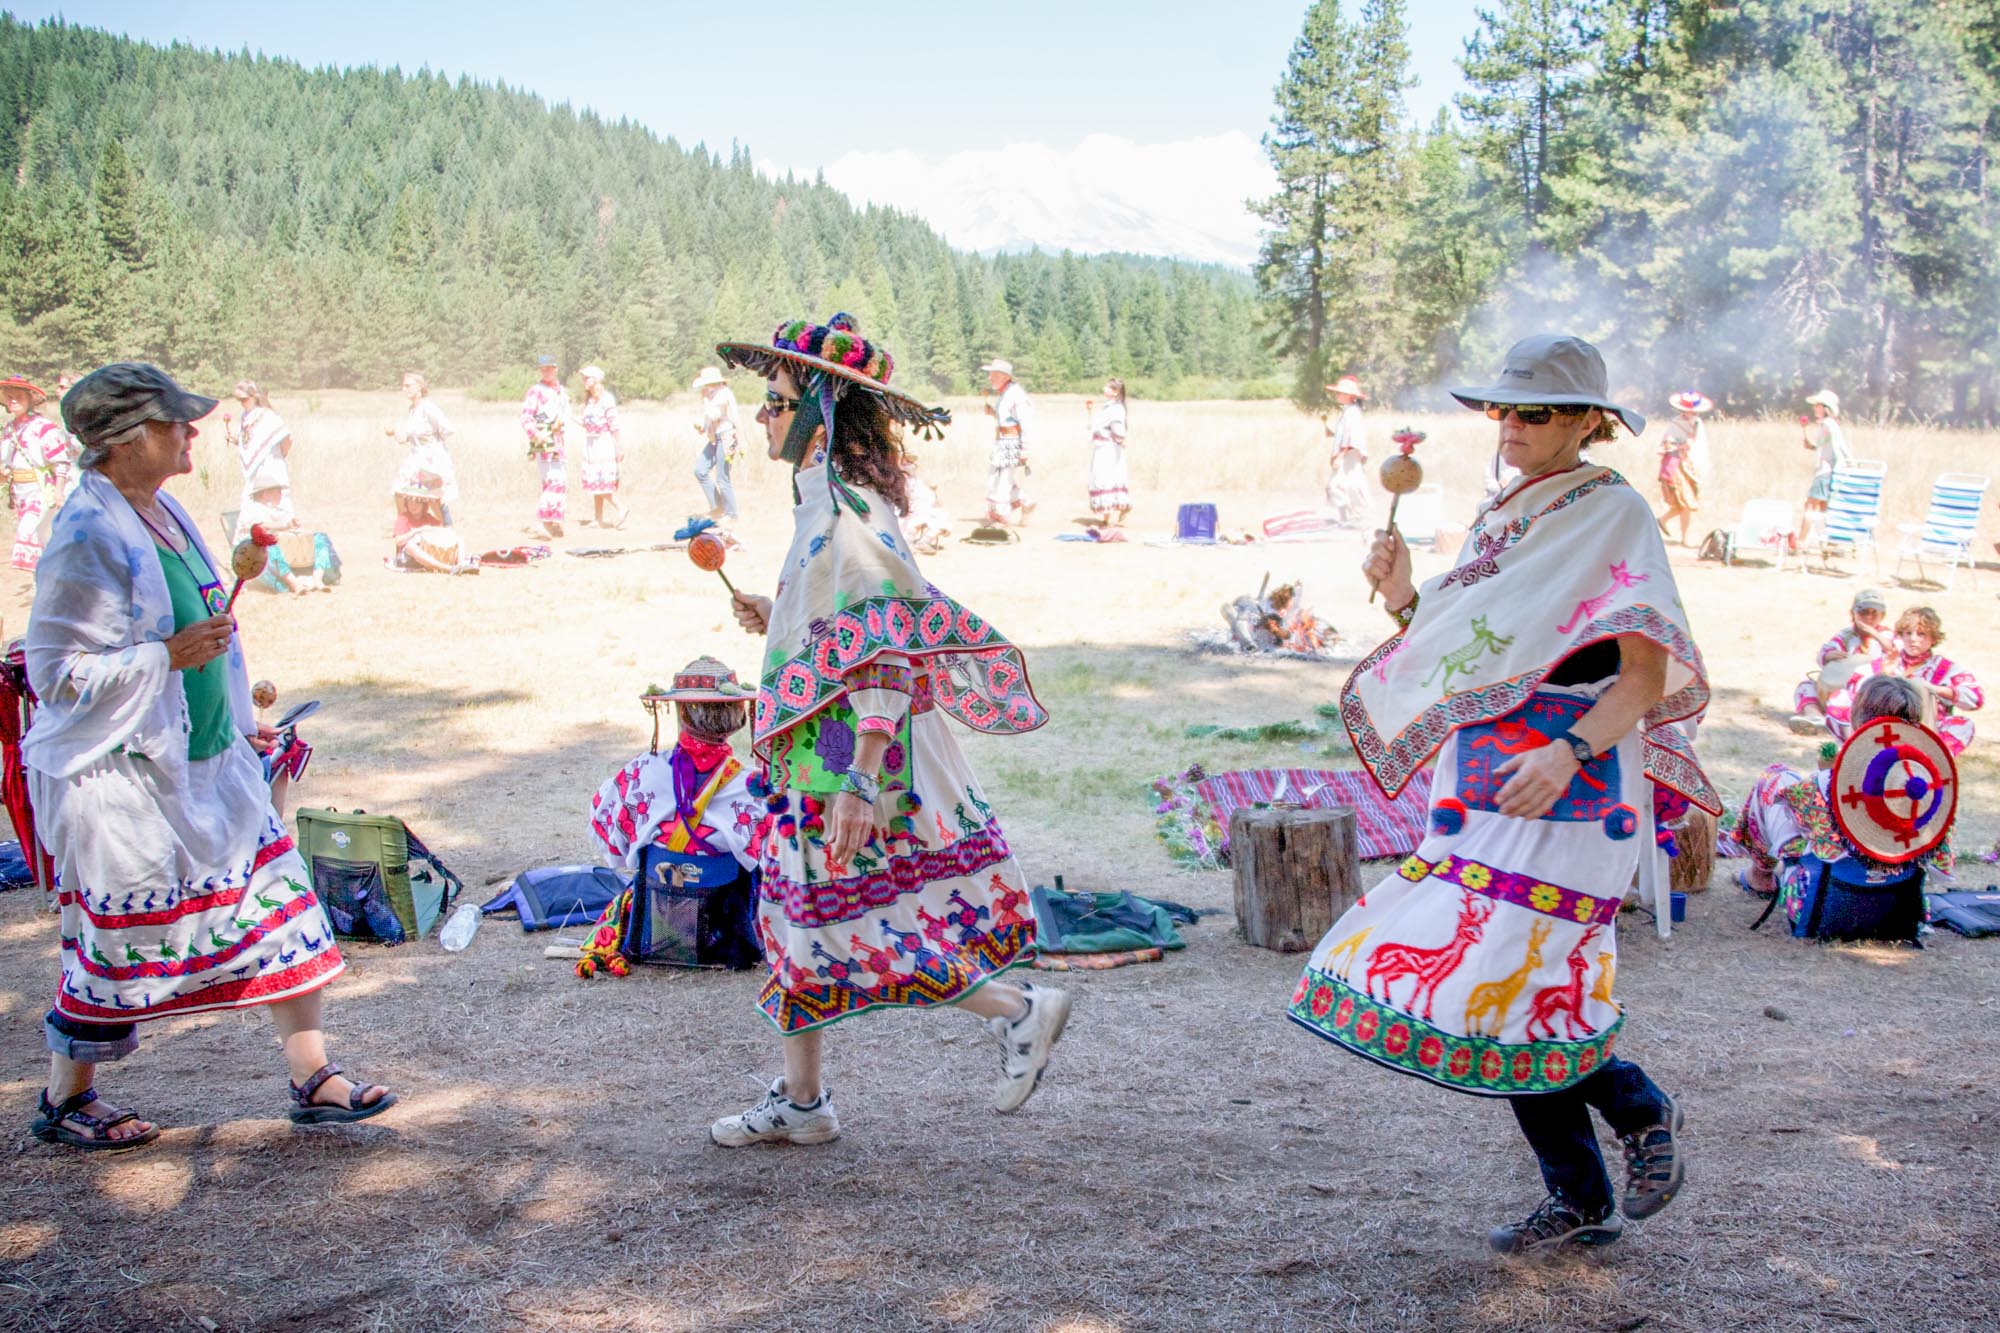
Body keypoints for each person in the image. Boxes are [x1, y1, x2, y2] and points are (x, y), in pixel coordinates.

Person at [1289, 334, 1711, 1255]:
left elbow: (1643, 673)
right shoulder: (1503, 515)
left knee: (1526, 973)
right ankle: (1584, 1195)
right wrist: (1406, 597)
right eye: (1504, 409)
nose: (1512, 426)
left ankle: (1640, 1108)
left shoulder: (1614, 513)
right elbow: (1475, 645)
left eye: (1538, 411)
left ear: (1591, 423)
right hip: (1485, 772)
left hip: (1574, 773)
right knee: (1500, 984)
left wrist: (1566, 750)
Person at [709, 313, 1068, 1146]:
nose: (761, 415)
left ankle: (1018, 1011)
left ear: (816, 414)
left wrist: (861, 777)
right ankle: (804, 1105)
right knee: (805, 916)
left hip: (851, 755)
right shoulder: (820, 508)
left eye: (775, 399)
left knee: (862, 920)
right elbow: (843, 628)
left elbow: (884, 650)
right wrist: (777, 616)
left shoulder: (844, 511)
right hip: (822, 748)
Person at [25, 363, 394, 1149]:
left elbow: (207, 637)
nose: (192, 432)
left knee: (282, 904)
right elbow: (55, 676)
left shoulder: (163, 512)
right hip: (124, 777)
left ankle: (314, 1076)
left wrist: (232, 718)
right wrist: (166, 654)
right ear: (129, 439)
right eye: (176, 422)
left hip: (208, 761)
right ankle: (66, 1098)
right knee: (117, 944)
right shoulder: (86, 535)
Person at [578, 657, 766, 978]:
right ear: (737, 719)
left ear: (681, 713)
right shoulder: (752, 786)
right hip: (723, 931)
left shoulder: (642, 771)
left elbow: (606, 823)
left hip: (657, 915)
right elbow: (771, 857)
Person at [1737, 675, 1950, 920]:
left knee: (1776, 778)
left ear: (1857, 718)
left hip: (1825, 906)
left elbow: (1801, 817)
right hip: (1900, 910)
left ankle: (1760, 877)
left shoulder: (1827, 782)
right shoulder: (1925, 788)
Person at [1828, 606, 1981, 755]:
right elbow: (1854, 687)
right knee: (1839, 698)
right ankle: (1856, 751)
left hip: (1923, 730)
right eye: (1908, 633)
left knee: (1964, 725)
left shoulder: (1944, 668)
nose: (1913, 639)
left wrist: (1935, 689)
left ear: (1933, 638)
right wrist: (1882, 674)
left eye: (1921, 634)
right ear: (1901, 635)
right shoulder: (1889, 660)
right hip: (1880, 727)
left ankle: (1932, 759)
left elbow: (1976, 698)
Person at [1788, 587, 1892, 734]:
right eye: (1864, 612)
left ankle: (1845, 722)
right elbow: (1825, 652)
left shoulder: (1886, 635)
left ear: (1882, 615)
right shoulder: (1846, 635)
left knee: (1846, 696)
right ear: (1853, 614)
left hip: (1868, 693)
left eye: (1874, 613)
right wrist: (1829, 656)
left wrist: (1873, 633)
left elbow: (1893, 650)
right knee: (1805, 687)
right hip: (1839, 688)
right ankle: (1815, 716)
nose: (1869, 617)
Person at [3, 375, 74, 572]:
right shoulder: (9, 429)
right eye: (9, 397)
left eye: (19, 396)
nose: (13, 401)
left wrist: (59, 490)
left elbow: (60, 460)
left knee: (29, 533)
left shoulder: (43, 427)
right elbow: (7, 463)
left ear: (30, 399)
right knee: (44, 537)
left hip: (42, 490)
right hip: (21, 492)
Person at [224, 379, 296, 539]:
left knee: (276, 508)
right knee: (253, 509)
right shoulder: (246, 417)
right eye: (238, 400)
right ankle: (250, 548)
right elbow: (251, 443)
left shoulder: (268, 416)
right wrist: (238, 441)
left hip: (271, 467)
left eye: (244, 399)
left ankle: (283, 548)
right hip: (254, 473)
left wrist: (278, 457)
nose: (241, 403)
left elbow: (287, 439)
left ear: (254, 396)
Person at [386, 372, 459, 524]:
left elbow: (447, 429)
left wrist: (432, 444)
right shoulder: (412, 409)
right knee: (400, 491)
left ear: (419, 387)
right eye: (403, 386)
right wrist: (395, 433)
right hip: (416, 458)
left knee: (434, 499)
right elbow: (408, 438)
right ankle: (406, 528)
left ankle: (447, 533)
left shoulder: (428, 407)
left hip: (431, 459)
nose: (404, 389)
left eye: (408, 385)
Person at [981, 358, 1034, 526]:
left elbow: (1025, 421)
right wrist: (993, 413)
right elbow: (1007, 418)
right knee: (996, 477)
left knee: (1002, 479)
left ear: (1004, 376)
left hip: (1011, 442)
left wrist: (1025, 448)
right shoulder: (1006, 393)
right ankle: (1025, 502)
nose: (990, 378)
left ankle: (1001, 516)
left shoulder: (1016, 394)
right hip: (1002, 441)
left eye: (993, 375)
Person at [577, 364, 630, 529]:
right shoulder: (590, 400)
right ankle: (598, 518)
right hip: (591, 442)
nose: (584, 381)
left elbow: (614, 424)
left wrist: (619, 447)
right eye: (584, 378)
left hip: (603, 443)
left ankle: (621, 507)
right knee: (594, 479)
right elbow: (587, 424)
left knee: (601, 480)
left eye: (588, 378)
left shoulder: (606, 398)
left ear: (596, 380)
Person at [1654, 391, 1710, 546]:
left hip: (1689, 466)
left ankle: (1682, 535)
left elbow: (1699, 446)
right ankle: (1664, 523)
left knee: (1686, 503)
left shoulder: (1697, 423)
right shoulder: (1675, 424)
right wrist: (1682, 446)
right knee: (1684, 500)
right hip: (1676, 465)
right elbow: (1667, 444)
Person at [521, 355, 569, 538]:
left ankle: (552, 522)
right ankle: (541, 523)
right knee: (552, 481)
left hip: (558, 442)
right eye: (542, 369)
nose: (546, 372)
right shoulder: (536, 391)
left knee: (559, 481)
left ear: (555, 369)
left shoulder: (560, 391)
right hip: (545, 441)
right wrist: (536, 434)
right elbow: (526, 416)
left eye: (549, 368)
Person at [689, 366, 741, 522]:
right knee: (700, 470)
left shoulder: (723, 394)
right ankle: (718, 506)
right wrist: (703, 427)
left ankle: (731, 513)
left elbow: (715, 414)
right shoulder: (711, 395)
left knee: (722, 478)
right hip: (715, 437)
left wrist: (705, 401)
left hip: (726, 435)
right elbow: (709, 418)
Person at [1798, 389, 1849, 545]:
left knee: (1810, 506)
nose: (1814, 408)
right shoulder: (1830, 425)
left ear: (1825, 407)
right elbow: (1825, 445)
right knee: (1823, 508)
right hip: (1830, 472)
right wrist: (1812, 446)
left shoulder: (1827, 424)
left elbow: (1838, 447)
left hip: (1824, 472)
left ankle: (1800, 542)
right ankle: (1829, 542)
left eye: (1817, 405)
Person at [1322, 375, 1369, 526]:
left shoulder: (1353, 413)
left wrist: (1340, 456)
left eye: (1340, 393)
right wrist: (1333, 433)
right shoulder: (1348, 411)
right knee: (1341, 486)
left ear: (1349, 396)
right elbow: (1345, 434)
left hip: (1350, 455)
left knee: (1347, 485)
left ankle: (1358, 517)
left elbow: (1352, 437)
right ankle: (1348, 518)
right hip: (1348, 453)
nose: (1337, 395)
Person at [1086, 378, 1131, 530]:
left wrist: (1120, 438)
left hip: (1109, 448)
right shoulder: (1109, 407)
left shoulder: (1116, 408)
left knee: (1105, 479)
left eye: (1108, 387)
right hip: (1103, 447)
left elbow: (1118, 428)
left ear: (1116, 392)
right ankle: (1107, 516)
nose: (1104, 388)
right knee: (1104, 478)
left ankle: (1108, 517)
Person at [390, 495, 474, 574]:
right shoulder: (403, 518)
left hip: (427, 554)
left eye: (417, 503)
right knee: (410, 545)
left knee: (459, 539)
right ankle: (448, 569)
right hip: (407, 558)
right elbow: (398, 541)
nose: (413, 506)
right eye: (410, 503)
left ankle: (461, 565)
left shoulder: (428, 518)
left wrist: (432, 530)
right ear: (406, 504)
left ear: (424, 505)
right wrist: (418, 530)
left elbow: (445, 532)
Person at [900, 452, 953, 555]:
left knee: (942, 517)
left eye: (912, 462)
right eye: (908, 462)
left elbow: (924, 493)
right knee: (917, 519)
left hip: (927, 507)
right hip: (912, 509)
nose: (912, 465)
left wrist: (934, 496)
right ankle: (908, 543)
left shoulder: (915, 479)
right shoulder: (901, 479)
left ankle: (925, 541)